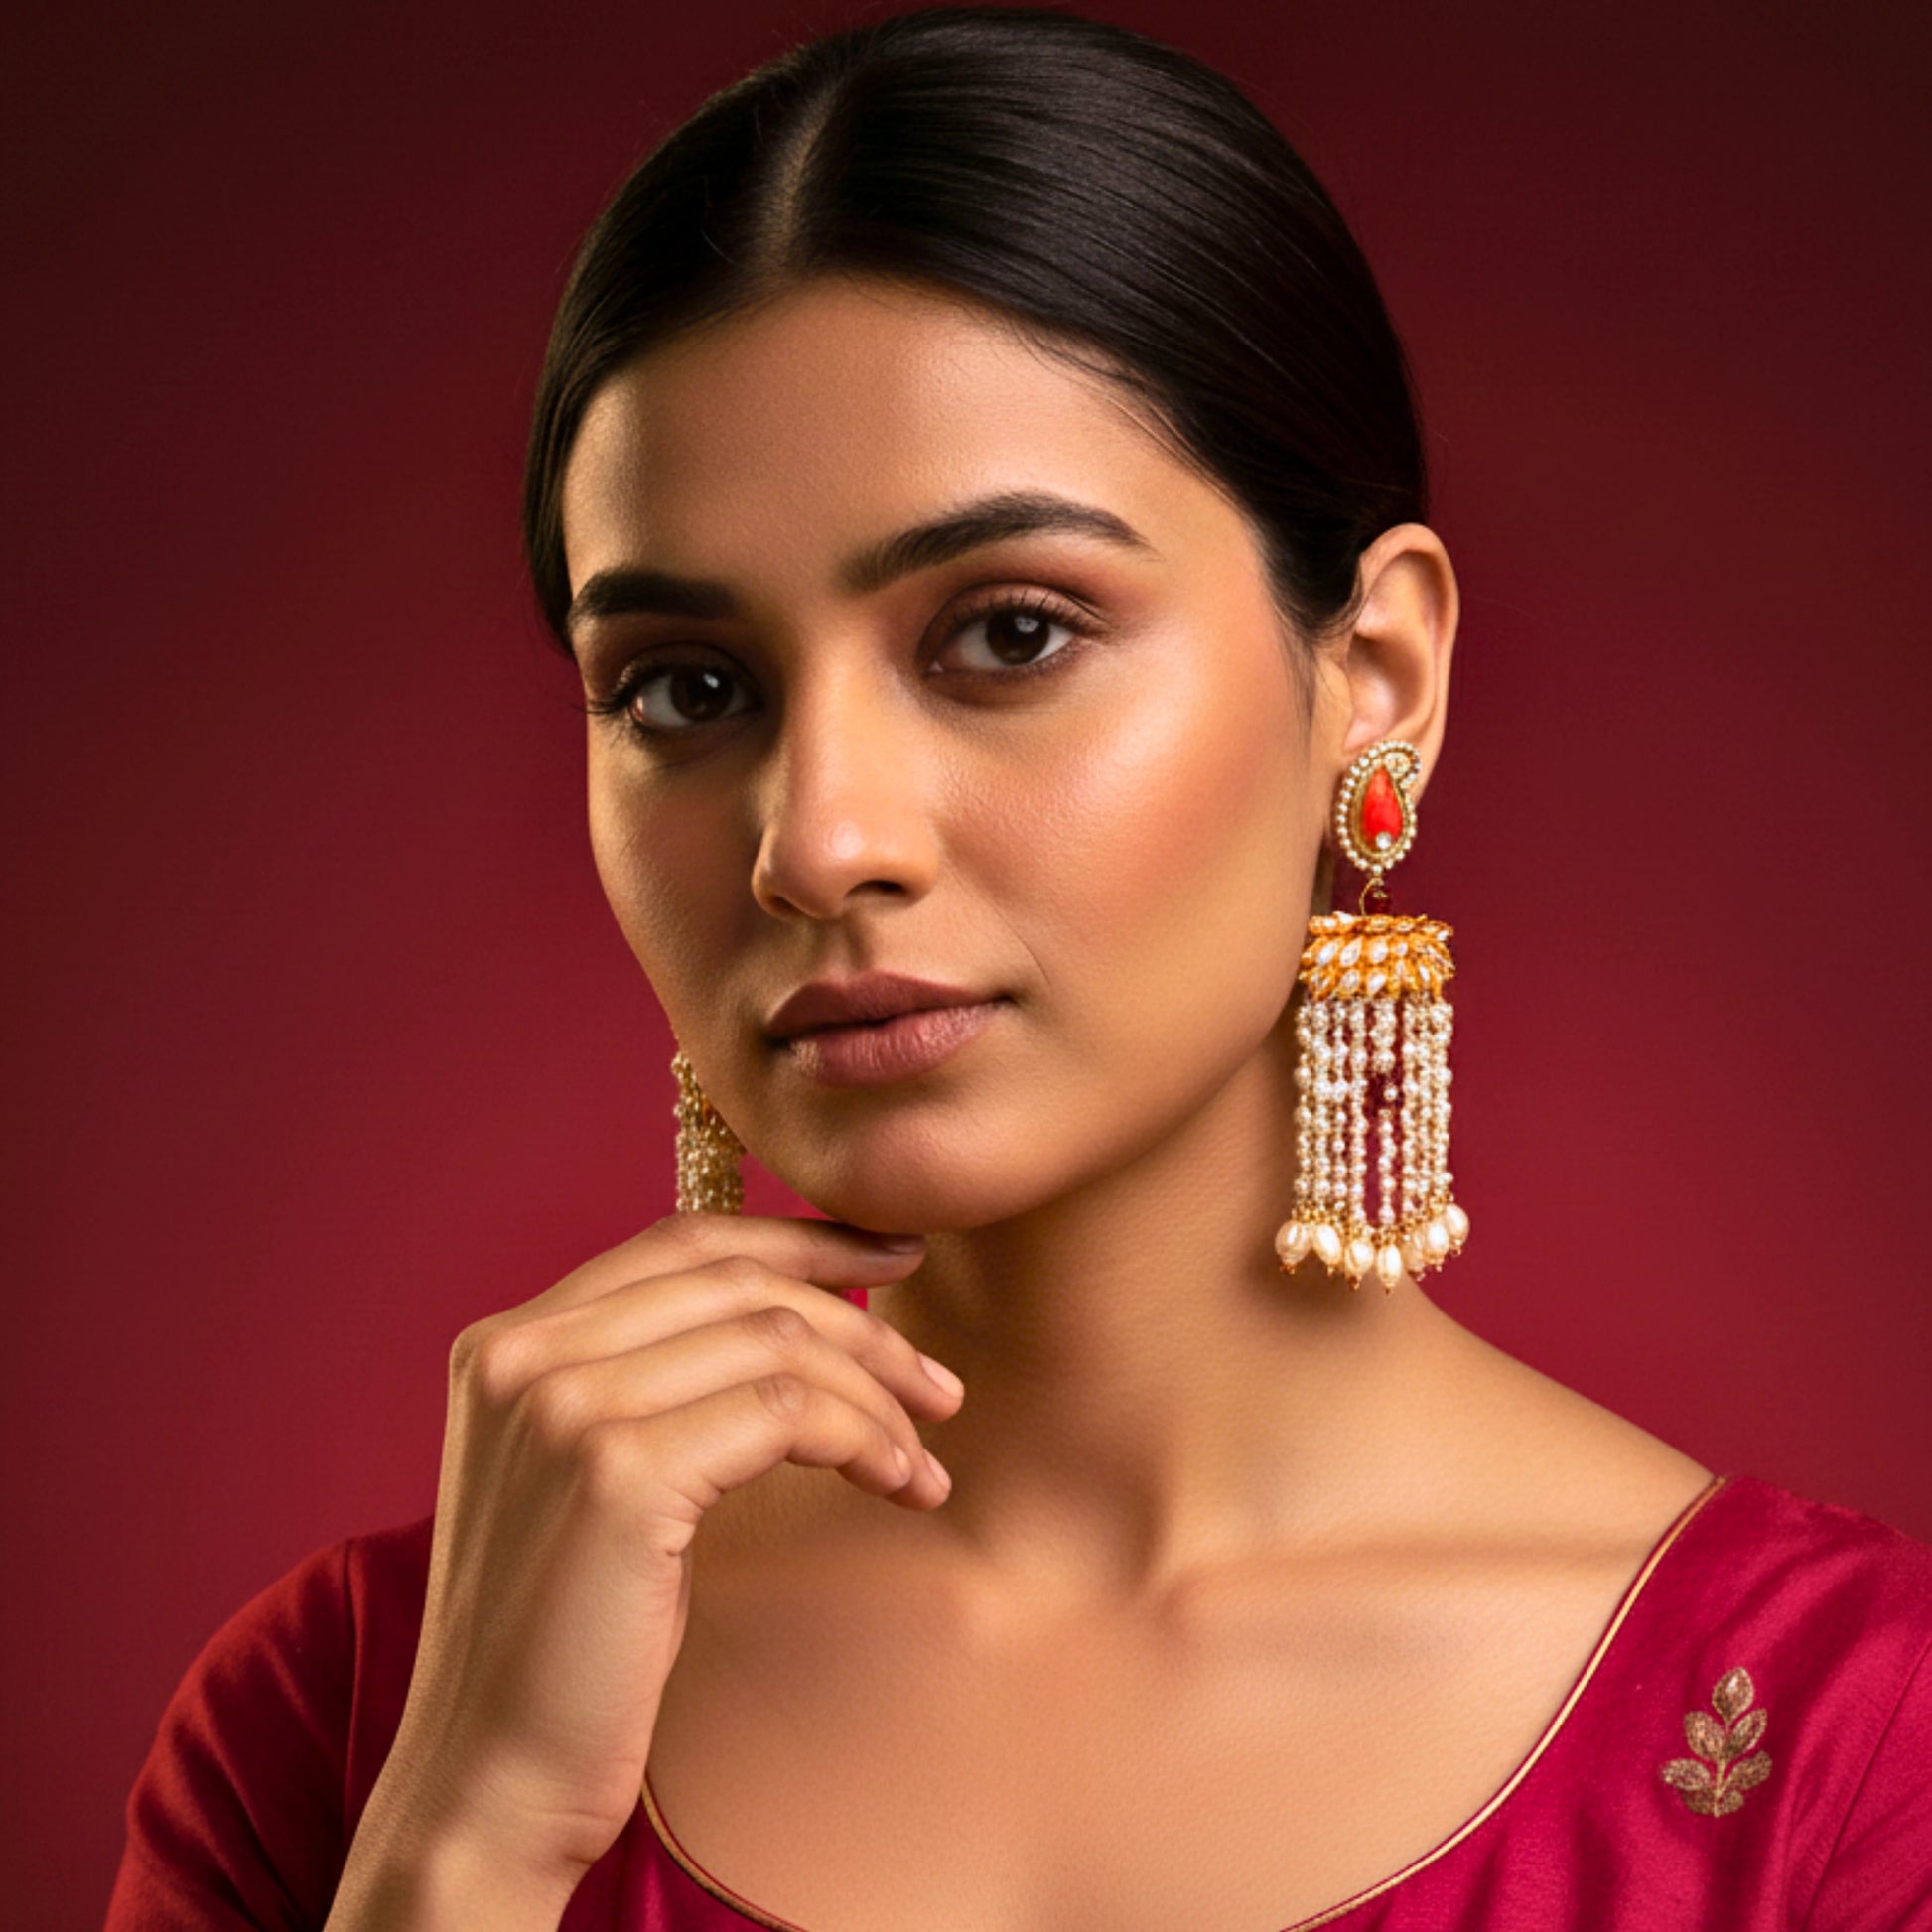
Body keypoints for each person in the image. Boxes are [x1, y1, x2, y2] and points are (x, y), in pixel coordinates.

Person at [104, 7, 1932, 1929]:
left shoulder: (1836, 1755)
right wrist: (458, 1847)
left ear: (1372, 684)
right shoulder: (346, 1723)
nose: (813, 838)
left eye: (1006, 635)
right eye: (684, 687)